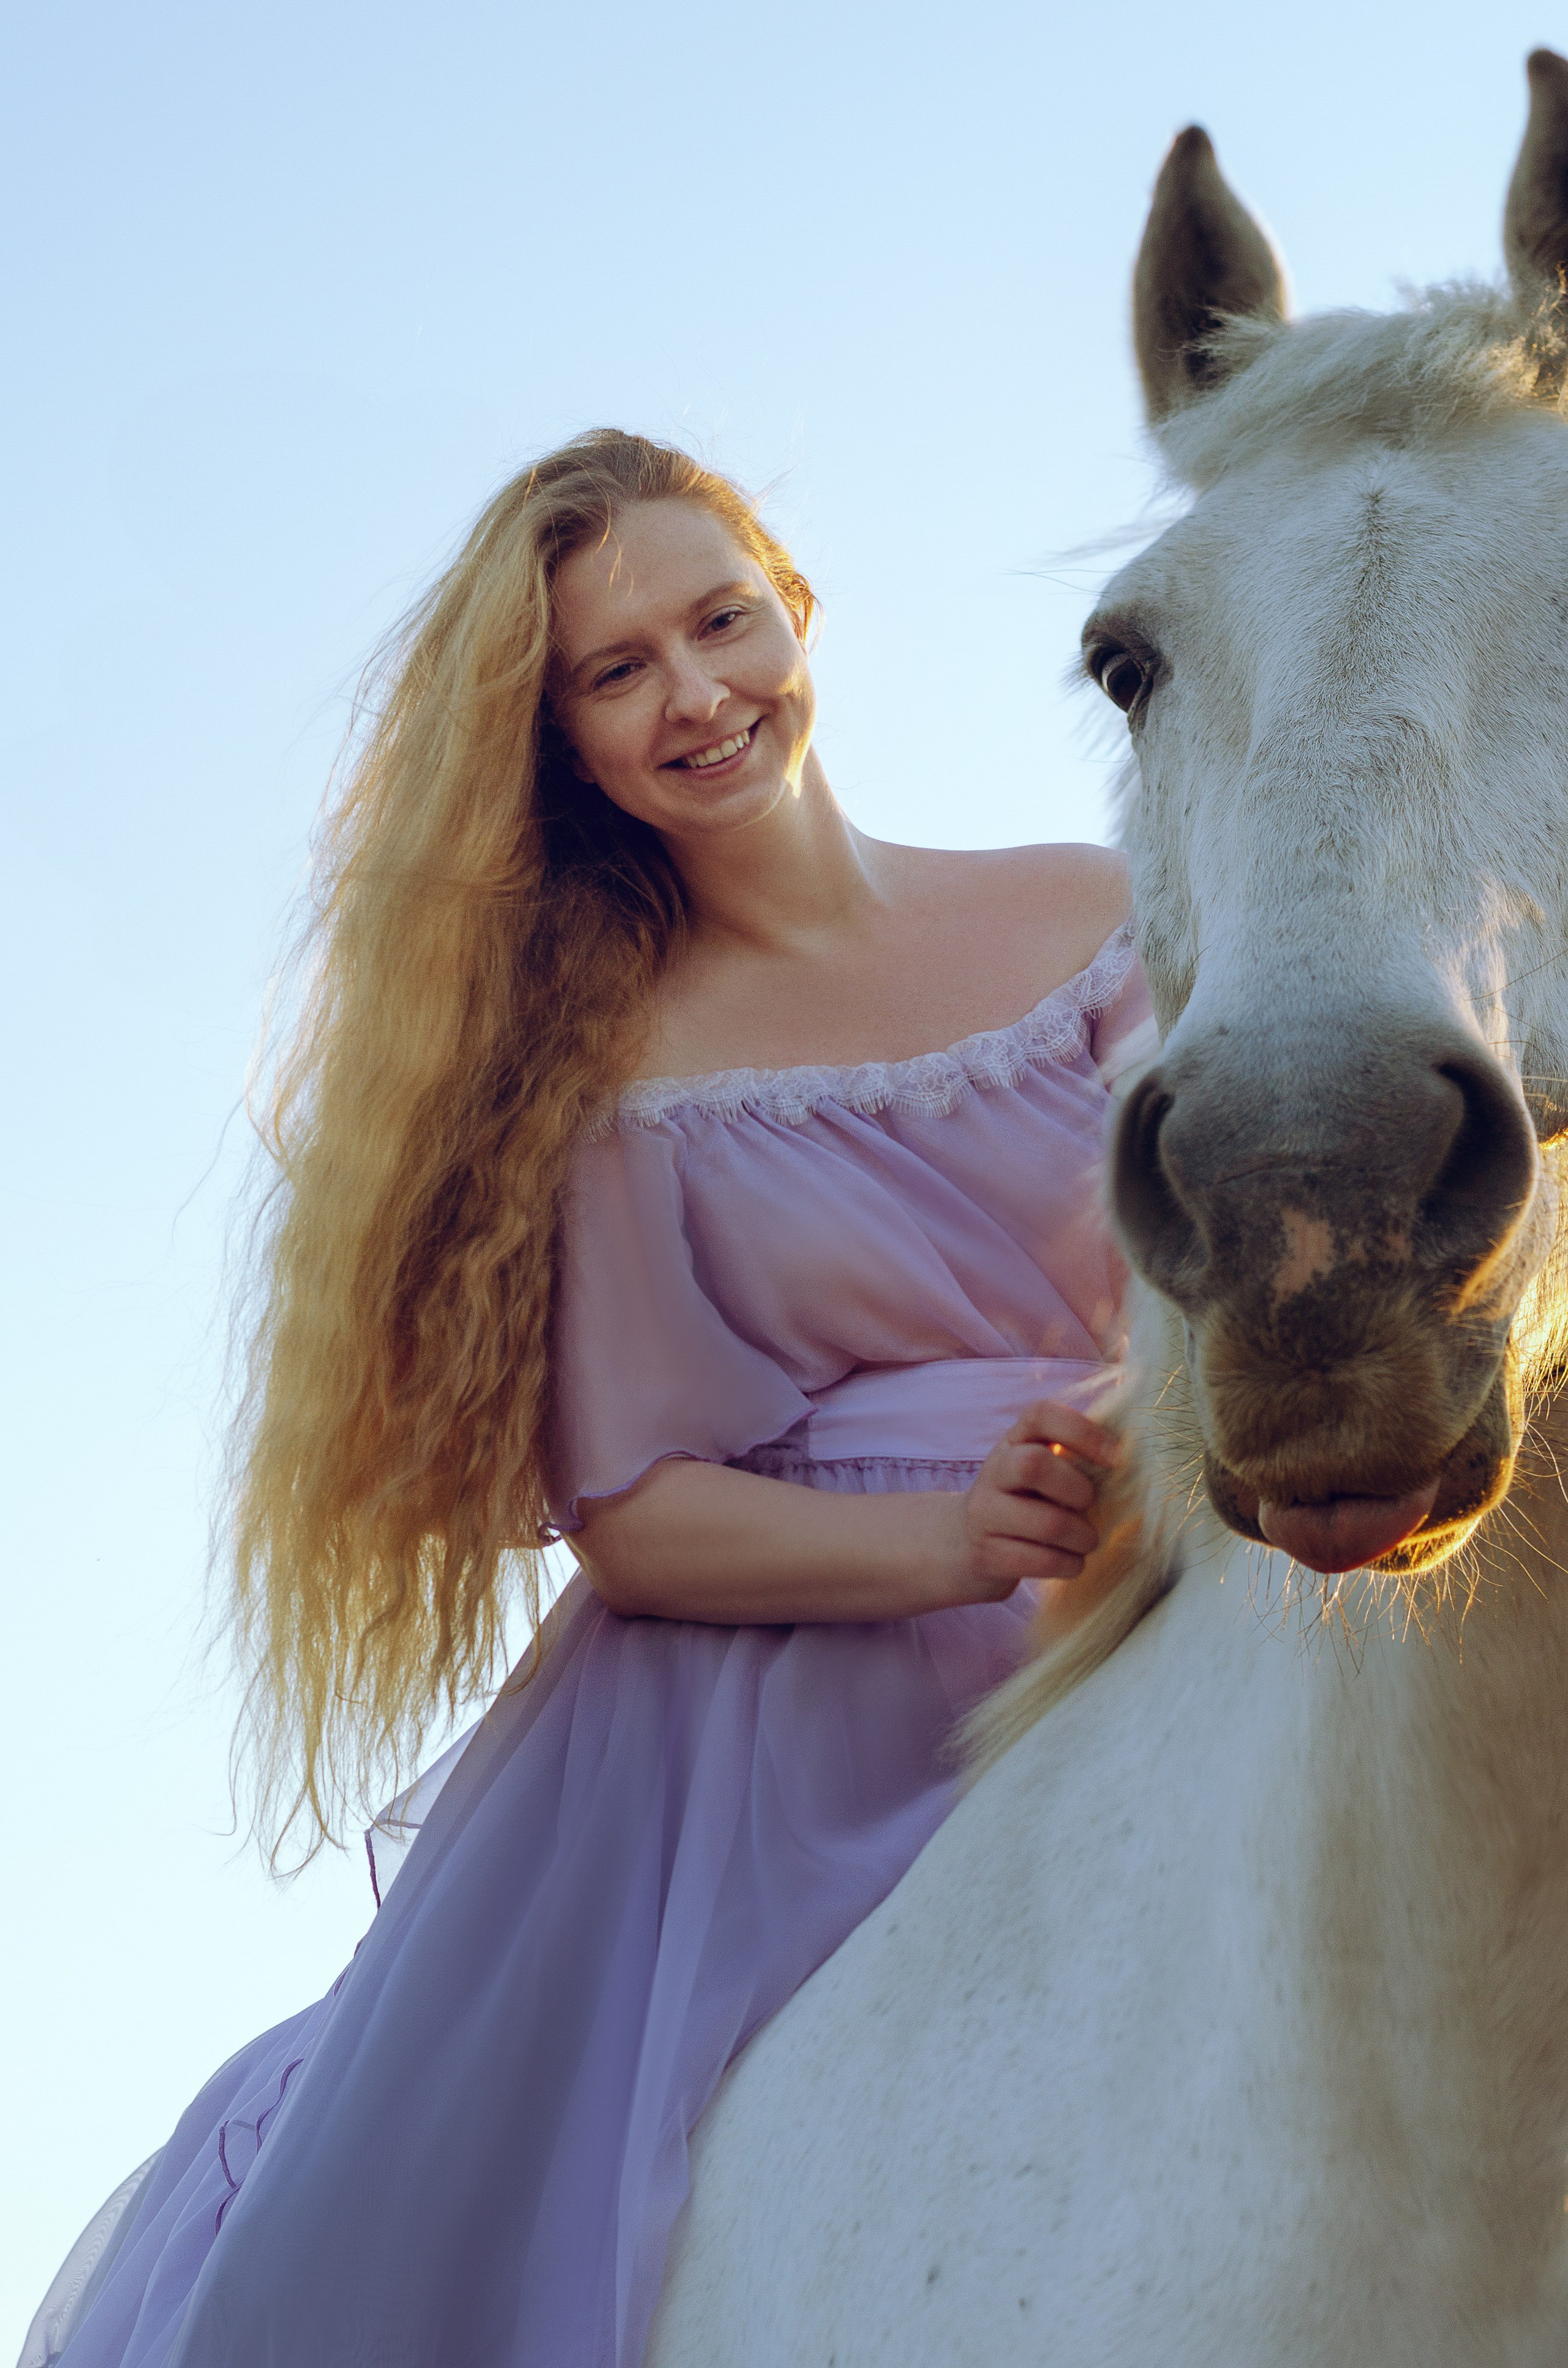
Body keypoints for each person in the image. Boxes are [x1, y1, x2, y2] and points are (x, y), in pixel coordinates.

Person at [23, 431, 1153, 2368]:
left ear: (797, 609)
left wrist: (1158, 1423)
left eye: (720, 621)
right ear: (564, 743)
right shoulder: (613, 1073)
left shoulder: (1094, 909)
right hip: (787, 1697)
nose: (696, 694)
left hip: (1151, 1559)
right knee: (450, 2234)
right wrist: (955, 1536)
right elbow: (634, 1511)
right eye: (617, 672)